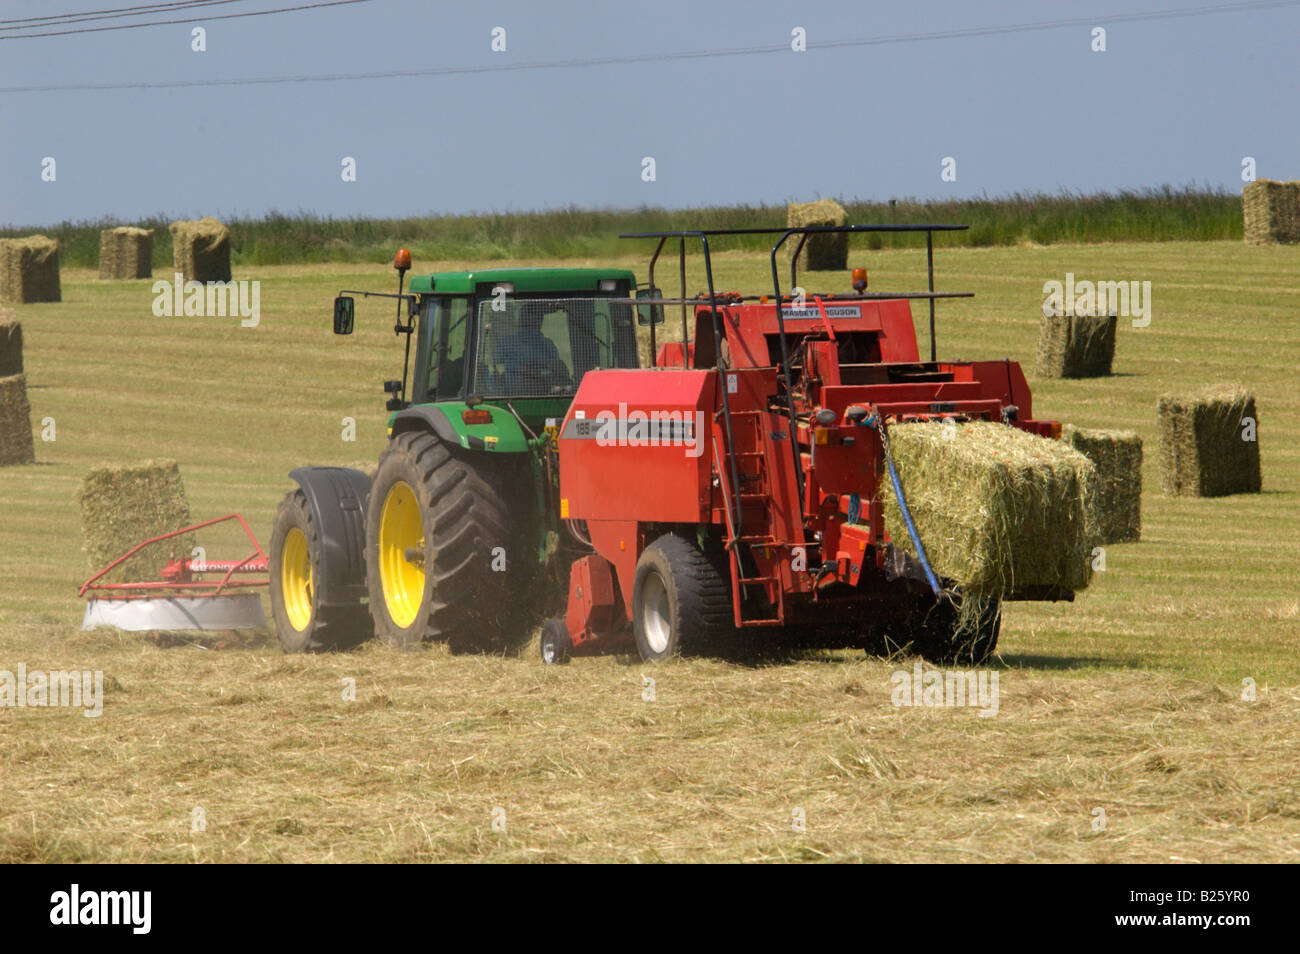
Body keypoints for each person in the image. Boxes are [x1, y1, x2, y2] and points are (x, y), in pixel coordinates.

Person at [497, 307, 571, 394]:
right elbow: (557, 367)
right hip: (545, 393)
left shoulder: (506, 342)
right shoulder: (548, 344)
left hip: (513, 395)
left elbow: (497, 362)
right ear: (540, 321)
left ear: (520, 320)